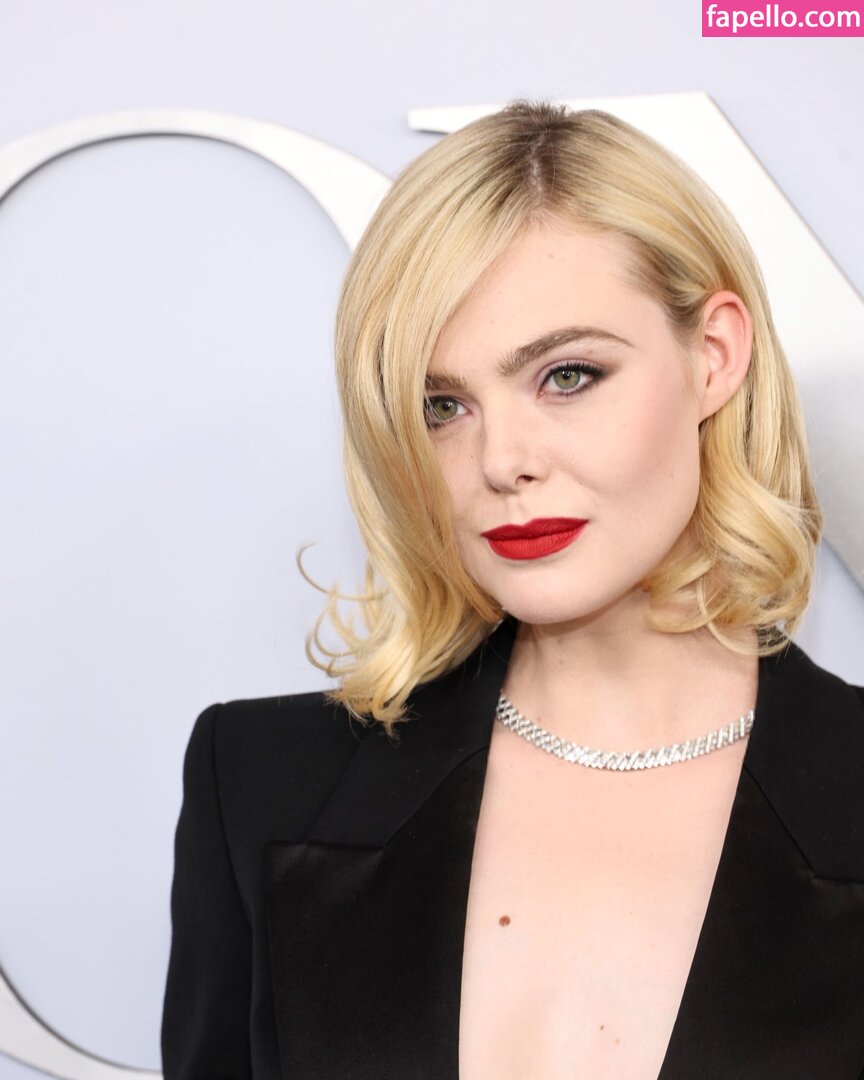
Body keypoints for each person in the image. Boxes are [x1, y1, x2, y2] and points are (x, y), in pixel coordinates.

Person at [160, 102, 864, 1079]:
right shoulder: (261, 785)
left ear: (713, 357)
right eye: (441, 405)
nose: (501, 461)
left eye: (567, 376)